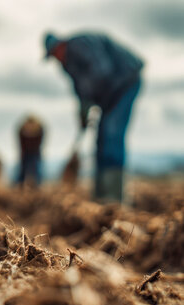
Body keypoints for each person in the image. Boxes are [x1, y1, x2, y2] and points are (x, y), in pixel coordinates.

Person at [44, 32, 143, 202]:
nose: (55, 59)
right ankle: (101, 194)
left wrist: (90, 101)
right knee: (101, 138)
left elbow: (101, 71)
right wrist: (83, 112)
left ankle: (114, 196)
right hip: (108, 92)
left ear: (60, 46)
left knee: (112, 132)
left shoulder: (80, 45)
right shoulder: (67, 65)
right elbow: (80, 90)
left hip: (125, 82)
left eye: (54, 54)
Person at [16, 115, 44, 187]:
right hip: (26, 152)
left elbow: (40, 141)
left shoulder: (40, 129)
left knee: (37, 169)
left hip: (35, 152)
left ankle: (38, 185)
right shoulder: (21, 130)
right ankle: (19, 185)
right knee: (23, 169)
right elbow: (21, 143)